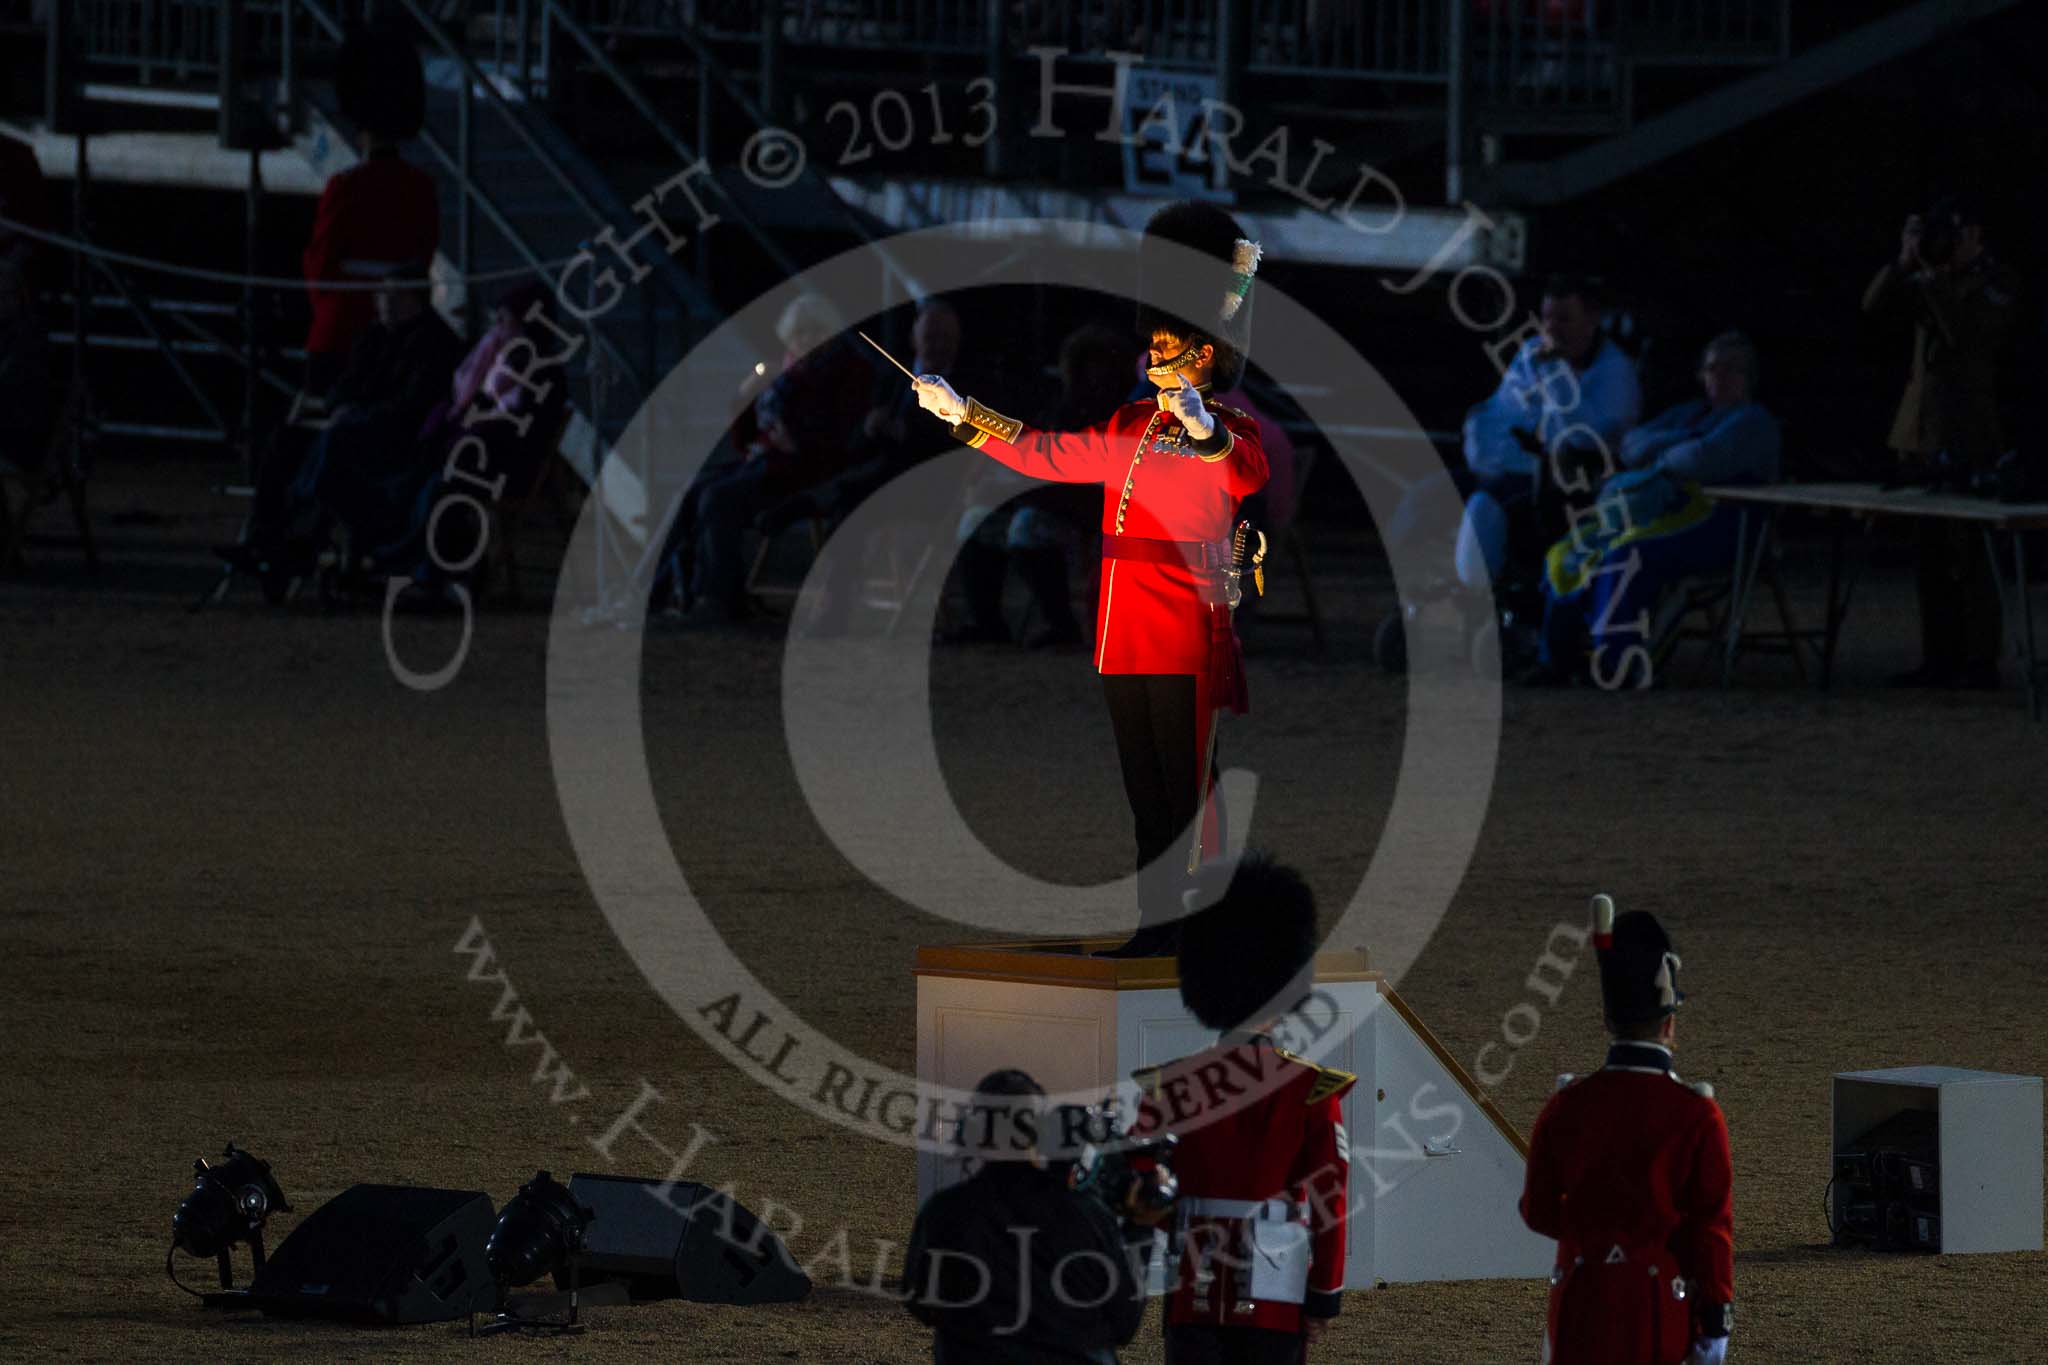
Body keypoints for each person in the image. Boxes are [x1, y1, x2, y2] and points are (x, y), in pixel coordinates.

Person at [912, 202, 1268, 958]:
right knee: (1147, 791)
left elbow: (1241, 472)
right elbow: (1041, 452)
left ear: (1206, 359)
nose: (1158, 359)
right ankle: (1158, 923)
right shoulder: (1127, 426)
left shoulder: (1231, 430)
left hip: (1181, 624)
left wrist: (1204, 425)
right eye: (1158, 348)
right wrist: (962, 414)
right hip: (1122, 625)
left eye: (1173, 350)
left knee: (1185, 788)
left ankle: (1203, 922)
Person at [1133, 854, 1353, 1363]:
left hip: (1193, 1288)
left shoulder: (1171, 1086)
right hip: (1276, 1295)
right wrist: (1324, 1294)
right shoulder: (1310, 1089)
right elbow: (1330, 1202)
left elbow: (1140, 1188)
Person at [1520, 901, 1734, 1365]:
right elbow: (1711, 1229)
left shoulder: (1566, 1106)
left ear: (1607, 1021)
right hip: (1657, 1311)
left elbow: (1538, 1212)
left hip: (1579, 1305)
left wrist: (1594, 1231)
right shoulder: (1697, 1113)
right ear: (1670, 1023)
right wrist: (1716, 1318)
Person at [1526, 332, 1781, 688]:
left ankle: (1615, 663)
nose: (1720, 377)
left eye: (1731, 369)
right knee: (1573, 549)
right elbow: (1631, 444)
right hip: (1660, 512)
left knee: (1627, 554)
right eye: (1712, 369)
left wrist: (1664, 453)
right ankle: (1557, 656)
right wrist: (1680, 445)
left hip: (1723, 526)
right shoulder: (1689, 413)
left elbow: (1703, 459)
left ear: (1749, 377)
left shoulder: (1754, 422)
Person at [224, 259, 464, 587]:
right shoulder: (374, 336)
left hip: (393, 441)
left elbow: (414, 405)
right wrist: (344, 407)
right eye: (381, 294)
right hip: (353, 429)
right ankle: (264, 536)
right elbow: (341, 387)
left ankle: (296, 541)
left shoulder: (434, 343)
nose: (383, 301)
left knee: (334, 445)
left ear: (415, 298)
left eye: (394, 294)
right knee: (286, 440)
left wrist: (356, 415)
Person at [1862, 196, 2022, 688]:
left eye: (1954, 235)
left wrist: (1934, 283)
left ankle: (1979, 661)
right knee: (1930, 551)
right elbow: (1872, 309)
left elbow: (1967, 338)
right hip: (1922, 428)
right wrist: (1903, 262)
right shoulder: (1929, 276)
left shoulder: (1995, 282)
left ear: (1975, 235)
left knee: (1972, 552)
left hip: (1969, 429)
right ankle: (1939, 656)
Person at [902, 1068, 1162, 1365]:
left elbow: (920, 1303)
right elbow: (1123, 1324)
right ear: (1043, 1134)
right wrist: (1140, 1229)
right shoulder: (1088, 1214)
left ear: (973, 1131)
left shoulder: (944, 1212)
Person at [664, 292, 872, 623]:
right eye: (800, 333)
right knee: (695, 488)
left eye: (816, 330)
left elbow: (836, 438)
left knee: (718, 498)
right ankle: (670, 592)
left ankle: (719, 598)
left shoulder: (846, 372)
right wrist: (745, 398)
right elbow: (746, 440)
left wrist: (791, 438)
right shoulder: (786, 374)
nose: (807, 340)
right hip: (769, 462)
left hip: (810, 469)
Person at [949, 321, 1143, 648]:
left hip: (1095, 507)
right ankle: (988, 624)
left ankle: (1062, 625)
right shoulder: (1065, 405)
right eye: (1086, 366)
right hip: (1049, 498)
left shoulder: (1125, 415)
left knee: (1026, 528)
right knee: (977, 520)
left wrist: (1022, 488)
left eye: (1102, 366)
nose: (1094, 376)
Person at [1452, 275, 1642, 596]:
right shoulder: (1533, 353)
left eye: (1564, 319)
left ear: (1592, 320)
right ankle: (1420, 598)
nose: (1551, 329)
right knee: (1429, 494)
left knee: (1484, 508)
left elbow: (1582, 438)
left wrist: (1555, 372)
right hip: (1506, 470)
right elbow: (1497, 418)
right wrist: (1488, 463)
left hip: (1567, 490)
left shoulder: (1614, 373)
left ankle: (1477, 601)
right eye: (1547, 318)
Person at [301, 22, 438, 393]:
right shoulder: (421, 187)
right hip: (398, 330)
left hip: (341, 324)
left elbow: (320, 262)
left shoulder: (345, 186)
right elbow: (423, 256)